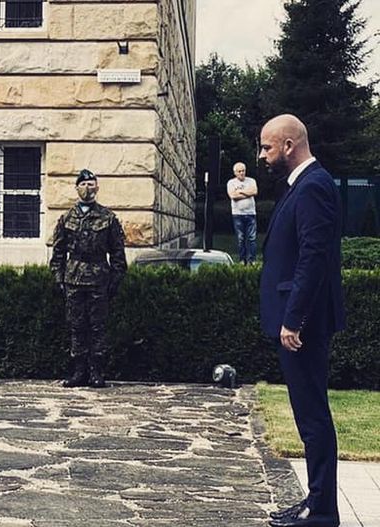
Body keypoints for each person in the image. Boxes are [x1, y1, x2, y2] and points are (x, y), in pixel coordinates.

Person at [259, 115, 344, 527]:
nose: (262, 156)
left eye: (267, 148)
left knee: (313, 416)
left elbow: (313, 259)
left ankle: (323, 510)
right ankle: (316, 502)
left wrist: (294, 320)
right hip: (297, 321)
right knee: (307, 414)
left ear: (290, 145)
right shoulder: (303, 186)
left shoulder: (313, 187)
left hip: (302, 325)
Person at [49, 169, 127, 388]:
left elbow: (118, 253)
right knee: (76, 326)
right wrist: (59, 278)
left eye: (91, 184)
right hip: (73, 278)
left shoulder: (108, 218)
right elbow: (58, 253)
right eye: (83, 185)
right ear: (76, 188)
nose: (87, 188)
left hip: (98, 278)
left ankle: (96, 372)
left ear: (97, 188)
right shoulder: (66, 218)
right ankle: (78, 372)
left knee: (98, 327)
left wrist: (114, 280)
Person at [226, 162, 258, 263]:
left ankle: (252, 260)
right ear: (235, 172)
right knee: (241, 239)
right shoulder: (231, 183)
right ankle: (242, 260)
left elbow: (254, 192)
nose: (241, 173)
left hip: (251, 213)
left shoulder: (251, 181)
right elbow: (233, 196)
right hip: (237, 214)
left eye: (243, 170)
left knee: (252, 238)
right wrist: (247, 193)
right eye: (239, 171)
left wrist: (240, 192)